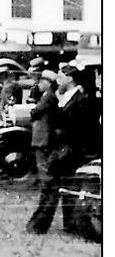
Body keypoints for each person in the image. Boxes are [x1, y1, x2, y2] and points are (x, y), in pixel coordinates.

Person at [29, 67, 101, 236]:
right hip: (63, 149)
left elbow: (78, 129)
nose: (58, 80)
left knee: (51, 186)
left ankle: (38, 226)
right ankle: (70, 226)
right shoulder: (67, 97)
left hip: (70, 150)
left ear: (70, 79)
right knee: (67, 187)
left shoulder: (81, 99)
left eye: (61, 76)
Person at [29, 69, 58, 186]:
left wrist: (33, 111)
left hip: (43, 135)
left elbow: (35, 112)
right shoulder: (46, 96)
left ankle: (46, 185)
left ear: (49, 83)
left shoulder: (47, 97)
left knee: (42, 163)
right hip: (42, 135)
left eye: (42, 81)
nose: (39, 84)